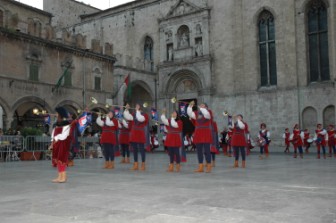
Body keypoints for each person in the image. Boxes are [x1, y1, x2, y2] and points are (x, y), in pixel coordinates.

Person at [50, 107, 77, 183]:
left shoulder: (67, 124)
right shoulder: (57, 124)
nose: (56, 114)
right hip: (57, 143)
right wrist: (52, 141)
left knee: (62, 159)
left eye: (57, 113)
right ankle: (59, 176)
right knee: (58, 160)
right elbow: (53, 133)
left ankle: (64, 177)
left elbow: (64, 135)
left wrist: (56, 138)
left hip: (63, 143)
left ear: (60, 114)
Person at [187, 101, 212, 173]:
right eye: (200, 105)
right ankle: (200, 166)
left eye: (203, 105)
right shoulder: (197, 113)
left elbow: (206, 115)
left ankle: (209, 166)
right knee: (199, 151)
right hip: (198, 133)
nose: (201, 106)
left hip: (206, 133)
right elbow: (190, 114)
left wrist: (202, 109)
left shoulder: (208, 112)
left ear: (206, 107)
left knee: (207, 151)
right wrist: (190, 106)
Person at [123, 103, 149, 171]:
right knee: (134, 150)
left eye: (137, 106)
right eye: (136, 106)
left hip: (140, 133)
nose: (136, 107)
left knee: (141, 149)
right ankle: (135, 164)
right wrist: (126, 109)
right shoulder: (133, 114)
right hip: (134, 133)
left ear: (140, 108)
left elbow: (140, 119)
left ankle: (143, 165)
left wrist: (137, 111)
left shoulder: (144, 115)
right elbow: (127, 117)